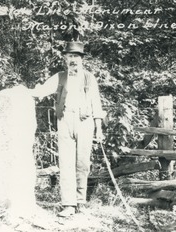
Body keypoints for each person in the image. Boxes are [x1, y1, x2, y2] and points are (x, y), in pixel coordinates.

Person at [30, 41, 105, 217]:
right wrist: (24, 92)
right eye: (70, 56)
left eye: (76, 56)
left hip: (85, 122)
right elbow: (41, 90)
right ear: (65, 58)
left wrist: (99, 128)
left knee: (83, 163)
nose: (73, 60)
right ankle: (68, 204)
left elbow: (96, 103)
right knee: (65, 163)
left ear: (81, 59)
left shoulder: (89, 78)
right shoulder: (59, 77)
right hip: (64, 120)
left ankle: (80, 201)